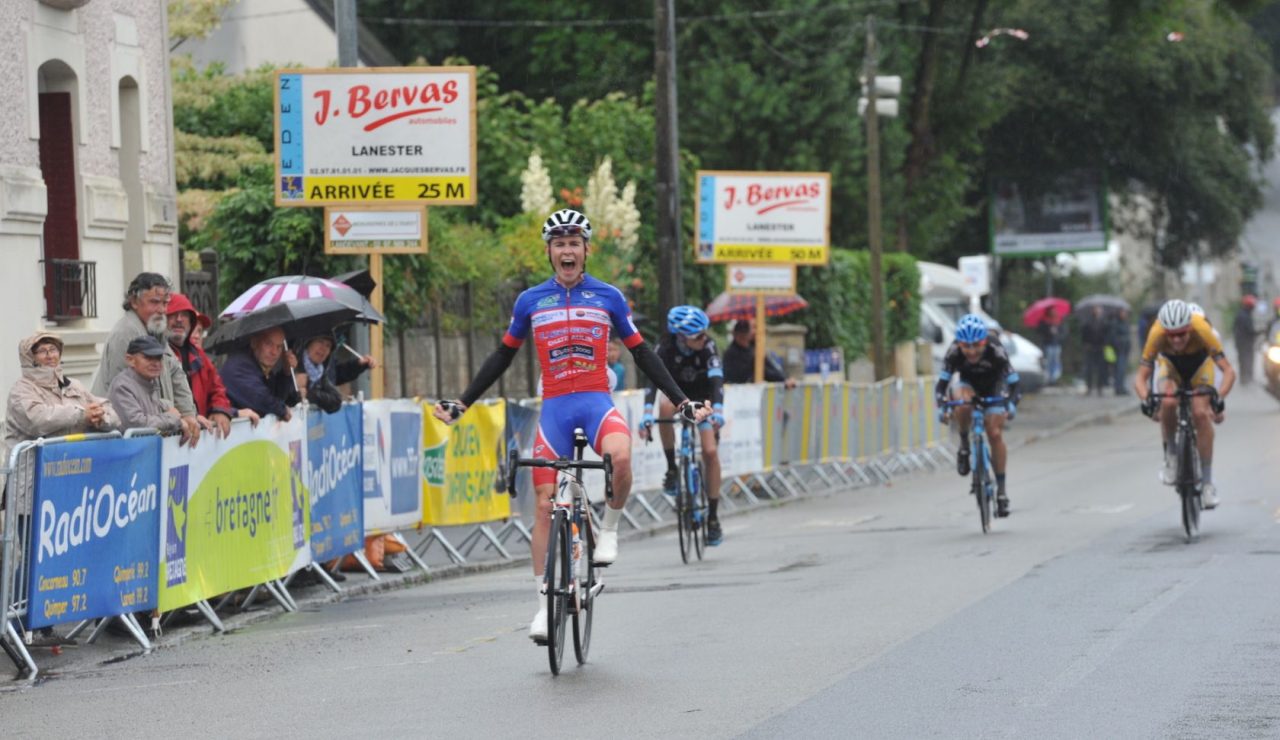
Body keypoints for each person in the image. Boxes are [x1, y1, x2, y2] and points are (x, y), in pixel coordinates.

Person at [431, 208, 709, 642]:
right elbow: (502, 356)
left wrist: (682, 402)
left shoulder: (609, 297)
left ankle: (610, 532)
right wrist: (462, 403)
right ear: (549, 252)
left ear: (585, 250)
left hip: (596, 402)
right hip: (555, 410)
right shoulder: (529, 301)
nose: (567, 250)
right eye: (559, 244)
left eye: (574, 243)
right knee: (544, 505)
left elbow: (643, 354)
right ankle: (544, 606)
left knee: (619, 455)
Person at [1134, 299, 1234, 509]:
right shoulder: (1156, 334)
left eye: (1182, 334)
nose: (1177, 339)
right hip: (1170, 366)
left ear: (1190, 328)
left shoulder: (1203, 330)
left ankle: (1207, 483)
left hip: (1200, 366)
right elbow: (1141, 377)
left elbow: (1228, 371)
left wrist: (1219, 397)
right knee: (1168, 402)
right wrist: (1147, 399)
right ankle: (1171, 455)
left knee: (1200, 413)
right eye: (1172, 335)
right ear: (1164, 332)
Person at [640, 306, 727, 546]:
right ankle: (672, 469)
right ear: (682, 337)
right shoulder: (665, 347)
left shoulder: (708, 346)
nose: (704, 338)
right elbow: (652, 380)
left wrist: (718, 411)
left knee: (710, 451)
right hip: (677, 396)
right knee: (664, 409)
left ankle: (713, 516)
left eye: (704, 333)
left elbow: (718, 381)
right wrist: (647, 413)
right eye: (698, 335)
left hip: (702, 398)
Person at [92, 272, 204, 445]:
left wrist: (188, 415)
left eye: (165, 303)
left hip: (152, 431)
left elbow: (176, 373)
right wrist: (171, 414)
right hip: (123, 439)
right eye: (154, 302)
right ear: (134, 302)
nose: (162, 310)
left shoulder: (155, 328)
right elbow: (125, 394)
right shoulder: (126, 332)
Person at [934, 314, 1021, 518]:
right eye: (966, 346)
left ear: (984, 341)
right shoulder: (954, 351)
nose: (971, 352)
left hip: (994, 387)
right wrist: (942, 407)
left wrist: (1011, 403)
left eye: (976, 346)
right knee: (962, 403)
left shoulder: (995, 349)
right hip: (968, 386)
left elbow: (1015, 383)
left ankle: (1001, 491)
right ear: (959, 344)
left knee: (995, 433)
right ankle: (964, 444)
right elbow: (941, 386)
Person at [5, 332, 120, 458]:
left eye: (53, 349)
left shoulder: (74, 385)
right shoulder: (21, 390)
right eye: (42, 351)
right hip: (32, 472)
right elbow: (37, 420)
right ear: (30, 358)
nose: (50, 356)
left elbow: (112, 414)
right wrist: (81, 415)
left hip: (69, 468)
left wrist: (101, 417)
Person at [166, 292, 258, 435]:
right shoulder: (158, 354)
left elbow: (217, 389)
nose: (179, 319)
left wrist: (219, 410)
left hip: (200, 438)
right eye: (173, 314)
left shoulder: (200, 355)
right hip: (173, 439)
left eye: (184, 315)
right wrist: (190, 417)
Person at [220, 326, 302, 421]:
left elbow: (277, 397)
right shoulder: (239, 366)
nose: (274, 352)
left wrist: (286, 372)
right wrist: (282, 410)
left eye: (279, 347)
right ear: (254, 342)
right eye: (268, 344)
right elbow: (261, 400)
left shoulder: (262, 369)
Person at [107, 336, 184, 435]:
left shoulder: (149, 381)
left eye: (159, 358)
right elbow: (136, 423)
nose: (156, 363)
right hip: (127, 448)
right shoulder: (122, 385)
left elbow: (155, 410)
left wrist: (182, 418)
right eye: (148, 357)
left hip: (145, 446)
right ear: (130, 360)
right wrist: (173, 419)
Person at [295, 333, 376, 413]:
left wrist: (309, 394)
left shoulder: (321, 371)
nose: (323, 348)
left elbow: (336, 401)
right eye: (320, 341)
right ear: (309, 343)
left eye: (328, 346)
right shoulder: (293, 364)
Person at [722, 320, 797, 387]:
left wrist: (785, 379)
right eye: (754, 327)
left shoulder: (754, 349)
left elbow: (769, 367)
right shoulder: (731, 353)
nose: (755, 331)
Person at [1080, 306, 1108, 395]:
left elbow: (1106, 334)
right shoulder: (1087, 321)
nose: (1098, 311)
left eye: (1099, 309)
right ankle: (1089, 387)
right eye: (1096, 309)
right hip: (1090, 347)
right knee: (1089, 368)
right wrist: (1086, 344)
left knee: (1101, 369)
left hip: (1100, 347)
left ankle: (1100, 387)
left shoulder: (1104, 321)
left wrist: (1105, 344)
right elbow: (1084, 334)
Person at [1233, 295, 1258, 385]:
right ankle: (1247, 378)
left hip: (1241, 343)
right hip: (1246, 343)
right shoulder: (1245, 316)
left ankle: (1244, 378)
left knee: (1242, 360)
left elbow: (1235, 328)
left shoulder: (1240, 314)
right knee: (1247, 360)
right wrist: (1258, 332)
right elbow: (1250, 330)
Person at [1108, 308, 1132, 395]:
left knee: (1123, 370)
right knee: (1119, 370)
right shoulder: (1115, 323)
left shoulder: (1125, 323)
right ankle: (1118, 388)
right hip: (1119, 350)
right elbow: (1113, 337)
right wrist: (1120, 342)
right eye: (1123, 312)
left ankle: (1122, 387)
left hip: (1125, 349)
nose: (1124, 314)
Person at [1038, 305, 1064, 385]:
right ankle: (1048, 379)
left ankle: (1055, 378)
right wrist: (1049, 331)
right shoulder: (1044, 321)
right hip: (1048, 344)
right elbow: (1040, 331)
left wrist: (1058, 334)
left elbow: (1063, 332)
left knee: (1056, 361)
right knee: (1048, 361)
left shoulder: (1059, 321)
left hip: (1057, 344)